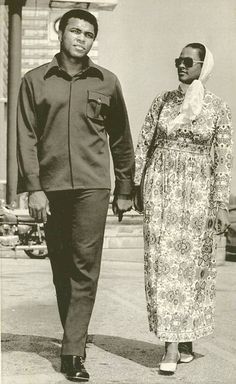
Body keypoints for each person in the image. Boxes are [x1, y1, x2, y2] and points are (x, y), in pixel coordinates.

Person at [17, 9, 134, 382]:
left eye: (88, 33)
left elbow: (121, 139)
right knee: (62, 268)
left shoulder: (107, 82)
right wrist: (34, 187)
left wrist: (125, 188)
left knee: (86, 267)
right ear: (60, 33)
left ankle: (71, 352)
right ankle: (75, 335)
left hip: (92, 188)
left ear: (92, 40)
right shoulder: (34, 81)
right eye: (74, 31)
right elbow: (26, 137)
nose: (81, 38)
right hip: (50, 189)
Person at [134, 43, 233, 375]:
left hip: (198, 199)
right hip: (161, 194)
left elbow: (223, 161)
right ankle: (172, 346)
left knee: (191, 271)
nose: (181, 65)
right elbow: (144, 142)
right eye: (178, 60)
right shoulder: (163, 102)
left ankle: (183, 338)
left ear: (203, 66)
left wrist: (220, 205)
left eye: (188, 61)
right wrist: (135, 184)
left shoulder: (218, 108)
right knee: (164, 268)